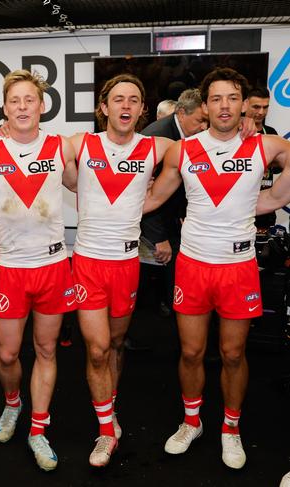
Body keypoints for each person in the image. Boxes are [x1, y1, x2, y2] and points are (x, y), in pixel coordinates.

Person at [144, 67, 290, 470]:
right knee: (191, 352)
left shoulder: (266, 146)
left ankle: (230, 428)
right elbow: (154, 198)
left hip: (238, 267)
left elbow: (282, 178)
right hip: (192, 266)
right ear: (204, 106)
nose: (224, 105)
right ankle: (192, 422)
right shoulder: (183, 149)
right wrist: (101, 207)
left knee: (232, 353)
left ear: (244, 104)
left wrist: (268, 201)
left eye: (232, 98)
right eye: (216, 99)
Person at [0, 70, 77, 471]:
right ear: (4, 107)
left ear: (42, 106)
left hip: (53, 266)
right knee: (8, 354)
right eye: (15, 101)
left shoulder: (61, 147)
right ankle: (13, 403)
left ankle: (39, 429)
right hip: (11, 268)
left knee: (46, 350)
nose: (23, 107)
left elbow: (87, 181)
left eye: (30, 100)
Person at [70, 74, 174, 467]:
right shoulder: (81, 144)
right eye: (118, 100)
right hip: (88, 264)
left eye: (134, 99)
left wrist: (247, 124)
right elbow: (25, 145)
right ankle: (105, 428)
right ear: (104, 107)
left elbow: (202, 149)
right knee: (96, 350)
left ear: (142, 109)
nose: (126, 106)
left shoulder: (156, 146)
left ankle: (108, 404)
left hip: (126, 265)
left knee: (114, 345)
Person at [140, 89, 207, 312]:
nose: (204, 127)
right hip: (152, 225)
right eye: (200, 120)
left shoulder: (188, 134)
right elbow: (144, 192)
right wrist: (158, 237)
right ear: (181, 112)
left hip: (173, 219)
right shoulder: (157, 137)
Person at [245, 87, 279, 230]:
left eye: (265, 107)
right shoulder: (235, 132)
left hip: (266, 207)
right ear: (244, 105)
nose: (261, 112)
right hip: (242, 206)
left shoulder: (270, 132)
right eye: (256, 107)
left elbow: (279, 167)